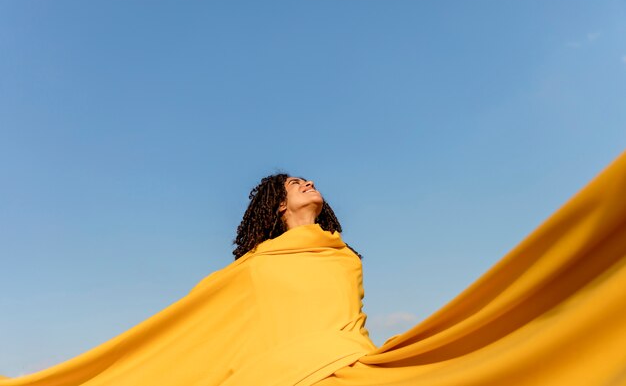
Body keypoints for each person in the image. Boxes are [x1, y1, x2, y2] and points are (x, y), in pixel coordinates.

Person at [2, 155, 626, 386]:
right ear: (277, 206)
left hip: (352, 370)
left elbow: (348, 322)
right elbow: (197, 325)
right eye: (288, 182)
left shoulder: (343, 255)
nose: (304, 180)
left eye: (304, 177)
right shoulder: (255, 266)